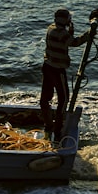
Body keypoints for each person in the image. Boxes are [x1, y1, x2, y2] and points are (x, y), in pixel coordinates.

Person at [40, 8, 89, 141]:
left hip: (47, 66)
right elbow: (74, 42)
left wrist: (70, 31)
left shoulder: (51, 28)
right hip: (57, 70)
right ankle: (58, 130)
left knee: (45, 98)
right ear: (65, 20)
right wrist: (89, 34)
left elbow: (65, 39)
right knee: (64, 99)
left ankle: (48, 125)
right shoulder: (62, 33)